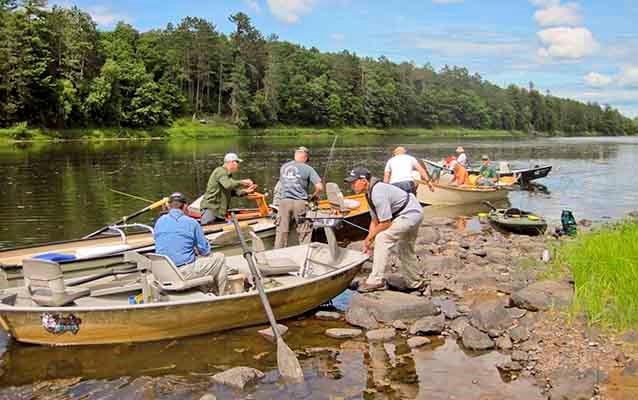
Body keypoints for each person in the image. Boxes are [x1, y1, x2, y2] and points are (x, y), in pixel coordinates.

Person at [345, 167, 425, 293]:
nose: (352, 186)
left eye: (354, 182)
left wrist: (371, 238)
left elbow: (385, 223)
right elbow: (374, 220)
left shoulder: (377, 192)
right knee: (405, 248)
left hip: (408, 214)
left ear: (364, 181)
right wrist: (368, 241)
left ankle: (375, 280)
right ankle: (415, 282)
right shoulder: (369, 192)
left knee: (382, 238)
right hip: (414, 212)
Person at [154, 192, 228, 294]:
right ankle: (223, 294)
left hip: (163, 272)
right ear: (185, 206)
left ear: (169, 206)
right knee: (220, 258)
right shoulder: (192, 222)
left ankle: (203, 289)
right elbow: (205, 251)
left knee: (194, 259)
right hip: (182, 272)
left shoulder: (159, 222)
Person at [274, 146, 323, 248]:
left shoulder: (283, 167)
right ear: (305, 158)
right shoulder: (308, 169)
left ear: (295, 155)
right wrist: (314, 197)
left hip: (284, 202)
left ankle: (277, 254)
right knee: (304, 231)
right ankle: (303, 252)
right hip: (300, 203)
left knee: (281, 232)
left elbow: (282, 185)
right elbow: (319, 187)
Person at [200, 153, 256, 225]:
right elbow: (228, 185)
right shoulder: (220, 171)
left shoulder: (227, 175)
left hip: (219, 213)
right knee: (208, 232)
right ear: (231, 162)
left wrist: (246, 191)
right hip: (211, 210)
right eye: (237, 162)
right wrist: (242, 182)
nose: (238, 165)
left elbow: (232, 192)